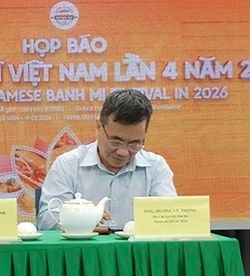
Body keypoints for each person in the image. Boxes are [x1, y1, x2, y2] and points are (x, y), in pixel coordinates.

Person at [37, 89, 176, 230]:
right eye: (116, 141)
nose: (123, 152)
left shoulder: (156, 168)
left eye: (135, 143)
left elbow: (170, 221)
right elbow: (46, 220)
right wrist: (80, 215)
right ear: (98, 127)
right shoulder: (67, 165)